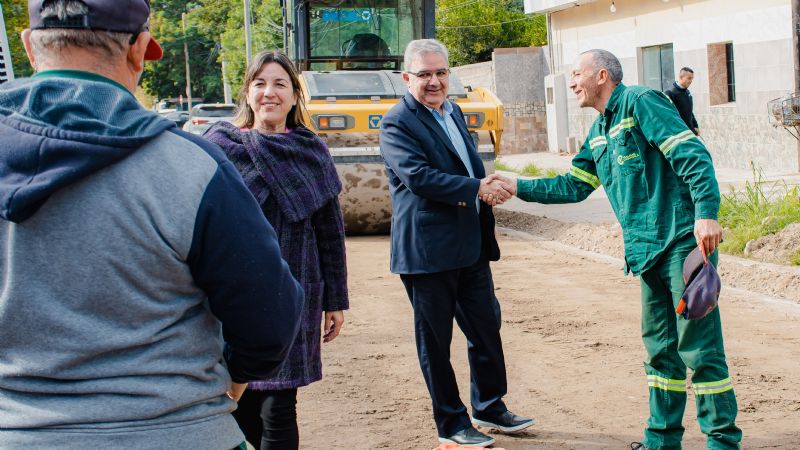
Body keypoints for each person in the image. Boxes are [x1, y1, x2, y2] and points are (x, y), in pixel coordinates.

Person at [0, 1, 304, 449]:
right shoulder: (191, 166)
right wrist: (235, 380)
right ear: (140, 50)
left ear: (29, 46)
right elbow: (270, 316)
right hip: (178, 429)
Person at [487, 49, 741, 450]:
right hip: (645, 253)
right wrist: (515, 185)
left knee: (700, 350)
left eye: (575, 74)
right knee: (660, 353)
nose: (571, 84)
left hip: (681, 246)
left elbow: (693, 155)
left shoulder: (641, 103)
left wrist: (706, 214)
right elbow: (572, 185)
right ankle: (661, 440)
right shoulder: (600, 130)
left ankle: (723, 442)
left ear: (601, 75)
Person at [379, 38, 532, 448]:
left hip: (470, 245)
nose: (434, 81)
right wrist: (477, 188)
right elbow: (419, 177)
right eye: (424, 74)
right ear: (406, 77)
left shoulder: (454, 111)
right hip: (427, 252)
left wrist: (486, 186)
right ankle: (451, 423)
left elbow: (465, 164)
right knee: (435, 342)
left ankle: (489, 405)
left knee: (486, 327)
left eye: (441, 72)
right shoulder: (396, 123)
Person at [205, 50, 349, 450]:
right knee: (237, 405)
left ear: (294, 94)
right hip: (230, 294)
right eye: (260, 83)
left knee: (279, 407)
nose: (269, 92)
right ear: (247, 93)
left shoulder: (310, 151)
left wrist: (335, 300)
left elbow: (330, 233)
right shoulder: (218, 146)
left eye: (280, 84)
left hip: (293, 290)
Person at [664, 67, 700, 136]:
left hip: (690, 131)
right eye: (689, 78)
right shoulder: (670, 93)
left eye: (692, 79)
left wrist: (695, 126)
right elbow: (668, 116)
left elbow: (689, 111)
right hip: (679, 133)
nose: (691, 81)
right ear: (681, 77)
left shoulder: (687, 91)